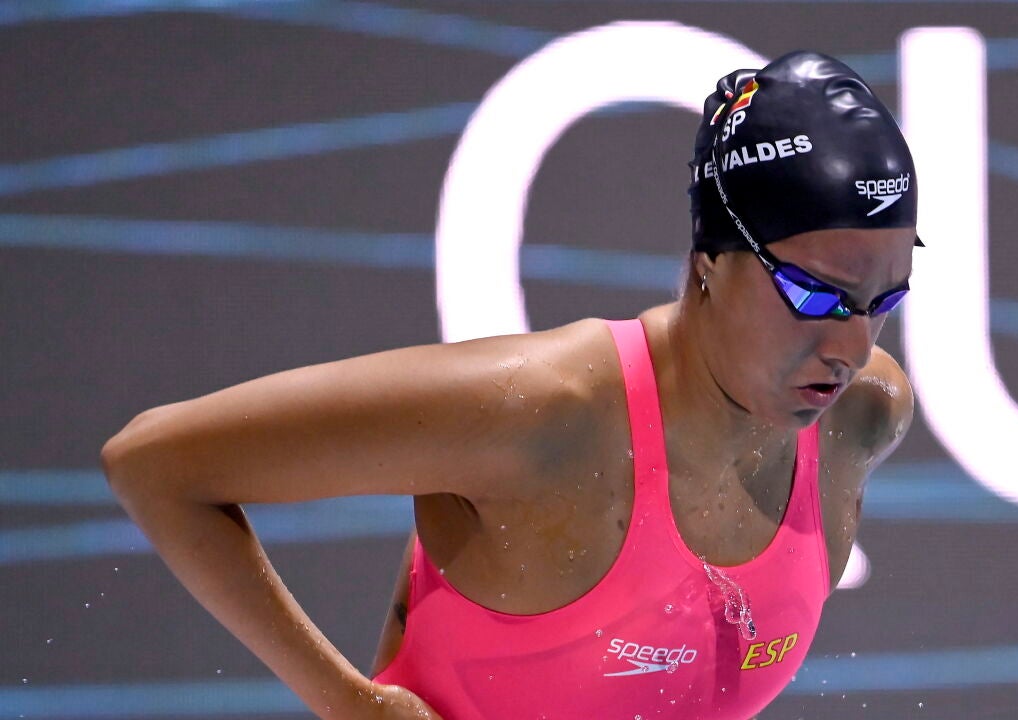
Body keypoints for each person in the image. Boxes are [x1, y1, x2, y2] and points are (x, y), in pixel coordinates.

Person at [101, 50, 920, 720]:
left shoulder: (860, 417)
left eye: (883, 302)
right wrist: (350, 706)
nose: (850, 346)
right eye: (816, 295)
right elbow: (154, 463)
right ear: (712, 258)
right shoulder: (546, 414)